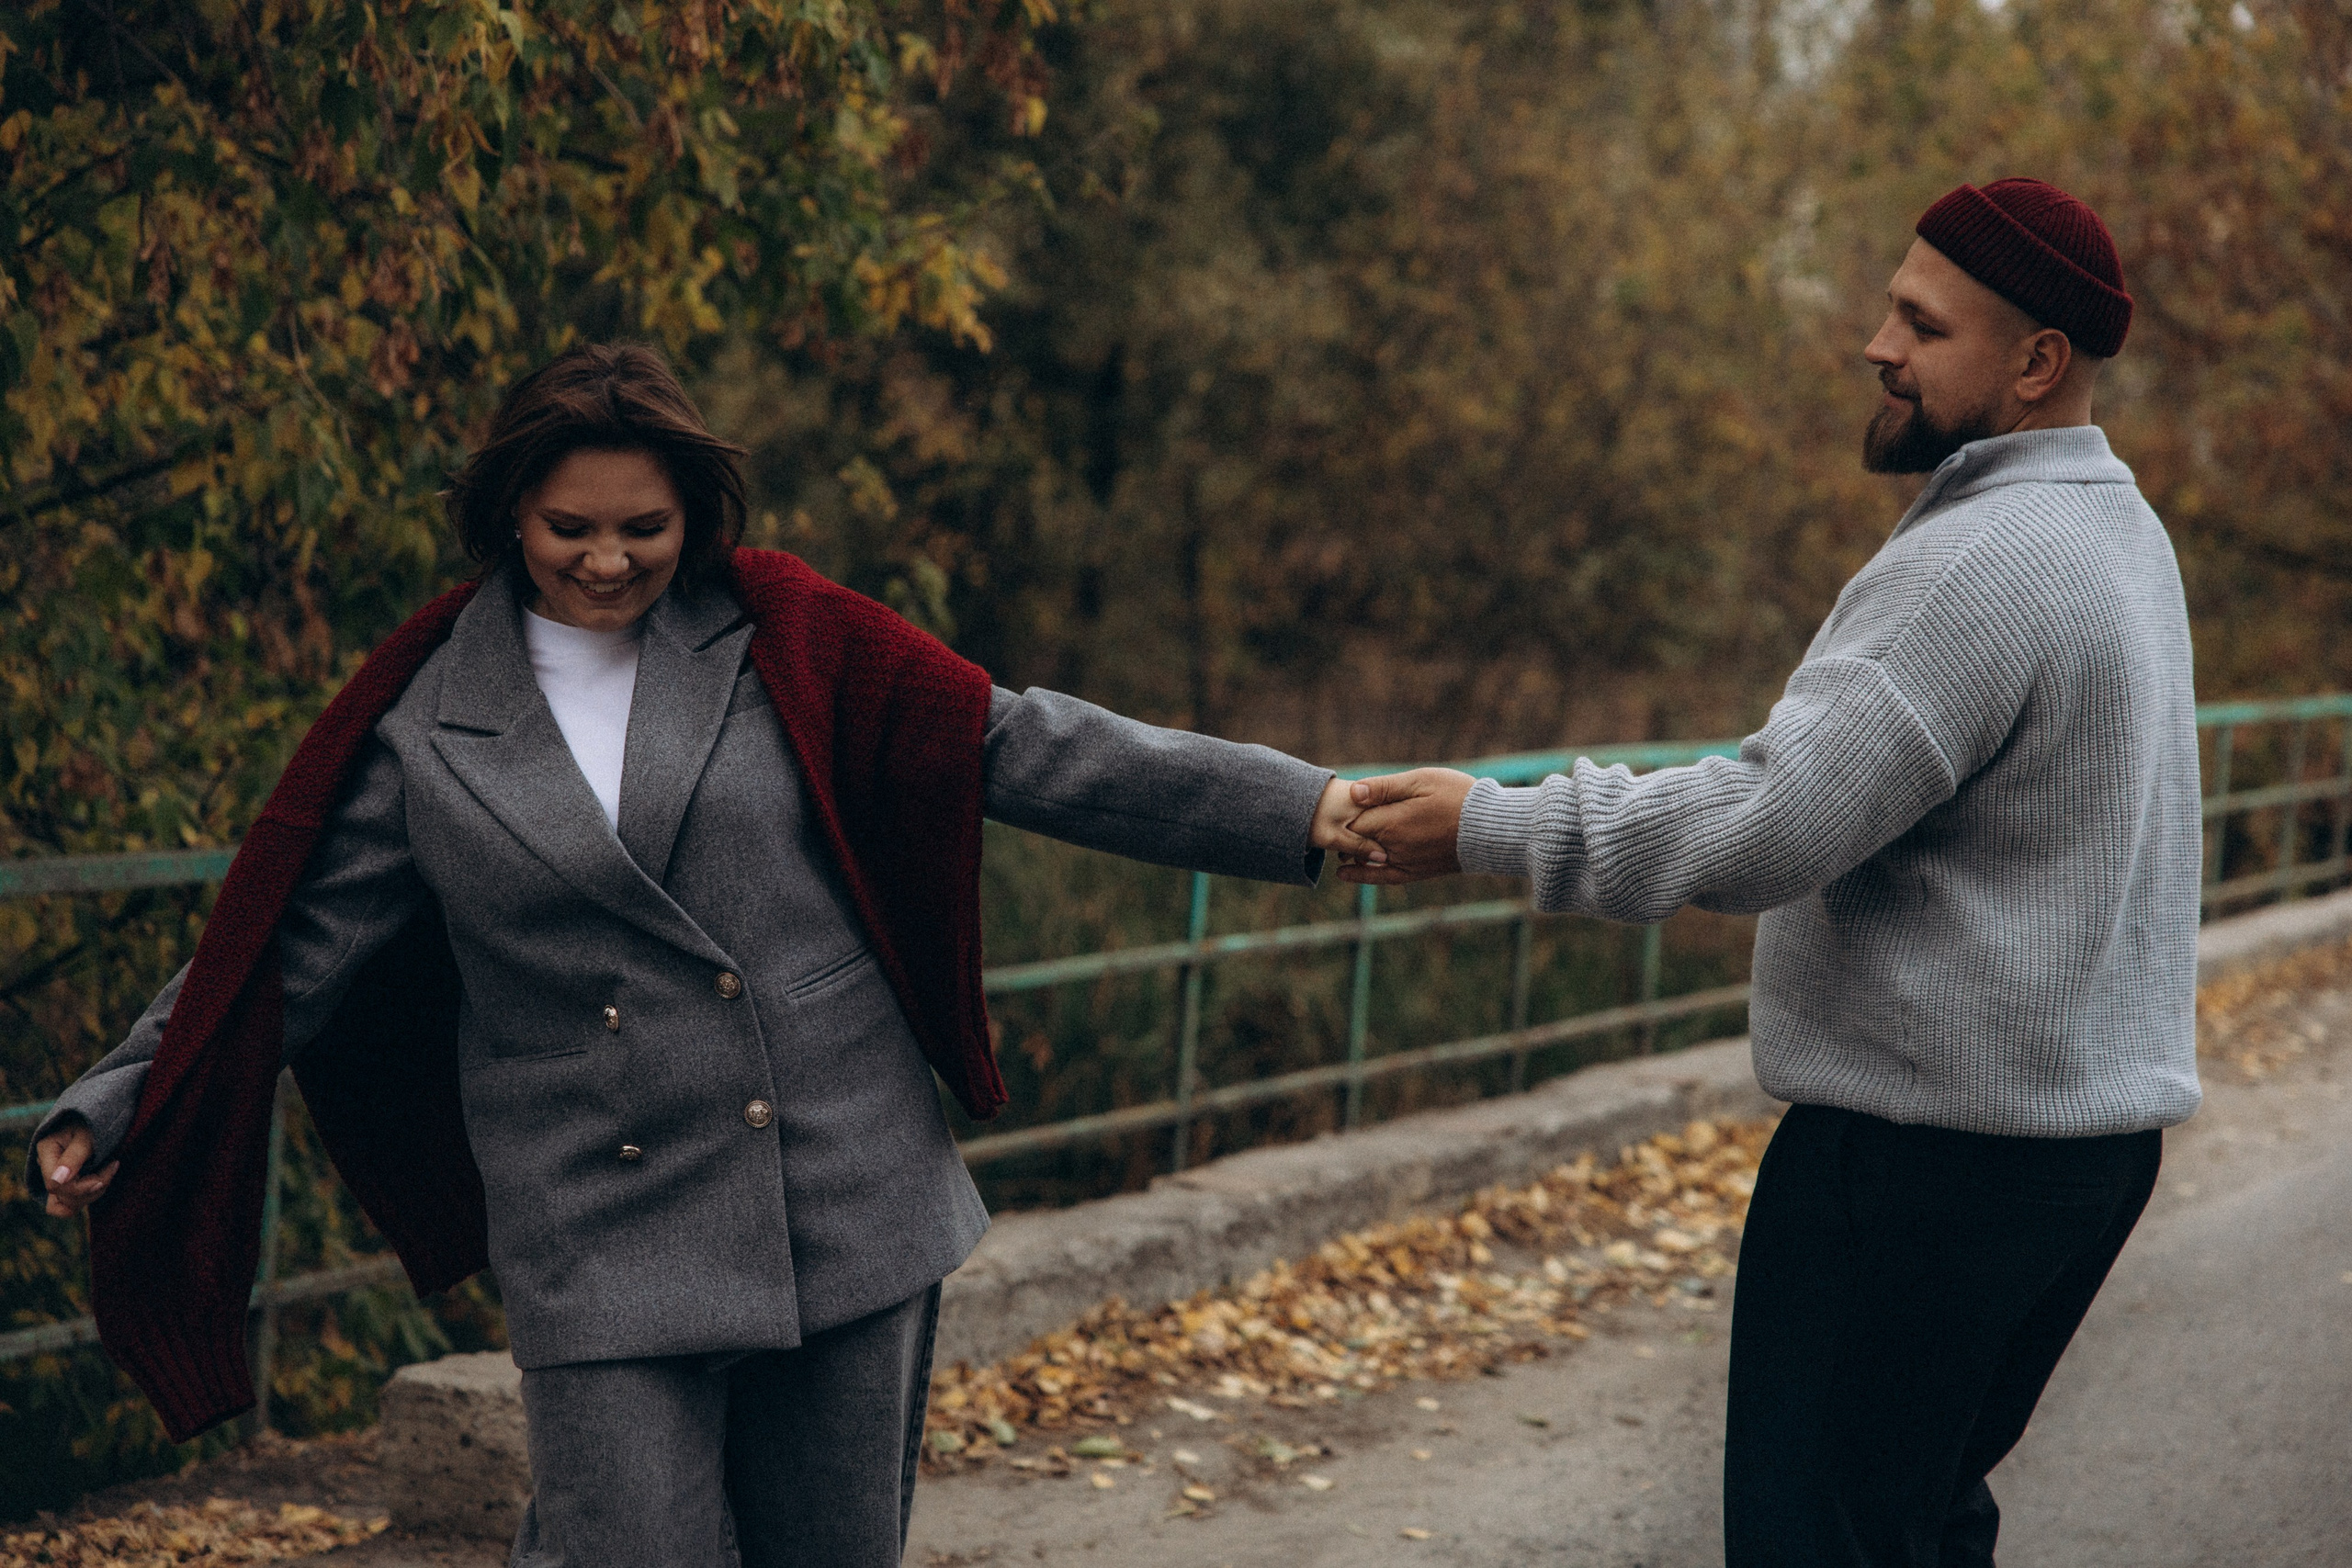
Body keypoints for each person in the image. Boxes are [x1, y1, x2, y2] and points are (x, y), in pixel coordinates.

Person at [32, 343, 1370, 1568]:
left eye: (644, 529)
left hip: (838, 1188)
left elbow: (1023, 747)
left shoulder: (789, 636)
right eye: (571, 528)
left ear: (696, 519)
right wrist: (121, 1102)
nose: (607, 560)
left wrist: (1295, 807)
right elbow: (282, 950)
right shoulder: (425, 725)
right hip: (595, 1224)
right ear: (510, 514)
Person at [1334, 179, 2198, 1566]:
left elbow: (1769, 823)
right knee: (1912, 1522)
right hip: (2074, 1158)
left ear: (2037, 363)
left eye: (1922, 323)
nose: (1877, 344)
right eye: (1889, 307)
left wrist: (1491, 823)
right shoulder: (2120, 536)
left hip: (1925, 1164)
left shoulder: (1988, 558)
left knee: (1819, 1538)